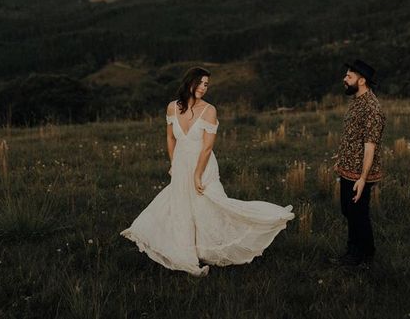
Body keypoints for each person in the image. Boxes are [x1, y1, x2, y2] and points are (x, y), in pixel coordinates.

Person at [120, 66, 294, 277]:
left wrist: (197, 174)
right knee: (182, 208)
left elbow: (207, 147)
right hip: (181, 165)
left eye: (206, 84)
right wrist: (174, 163)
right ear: (189, 82)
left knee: (211, 207)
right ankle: (187, 253)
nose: (204, 88)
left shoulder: (209, 110)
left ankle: (248, 230)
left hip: (203, 166)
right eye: (201, 83)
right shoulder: (172, 107)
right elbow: (170, 137)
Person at [331, 59, 386, 266]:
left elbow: (370, 145)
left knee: (358, 214)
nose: (344, 79)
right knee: (349, 210)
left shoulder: (372, 108)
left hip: (359, 173)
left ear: (362, 81)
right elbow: (352, 136)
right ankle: (353, 250)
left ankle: (364, 256)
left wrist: (363, 178)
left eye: (349, 76)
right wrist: (341, 158)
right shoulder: (357, 100)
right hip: (348, 168)